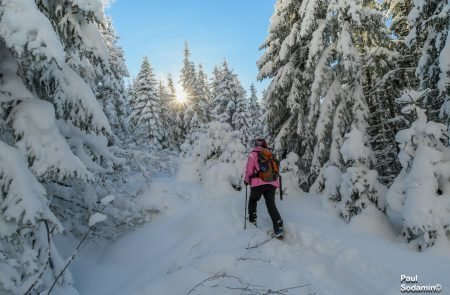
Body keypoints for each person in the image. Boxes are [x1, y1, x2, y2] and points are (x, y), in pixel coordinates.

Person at [243, 138, 284, 238]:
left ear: (256, 145)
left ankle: (252, 220)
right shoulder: (270, 154)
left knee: (253, 200)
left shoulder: (253, 154)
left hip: (258, 183)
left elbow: (249, 171)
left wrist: (246, 181)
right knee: (271, 205)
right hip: (272, 183)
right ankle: (278, 226)